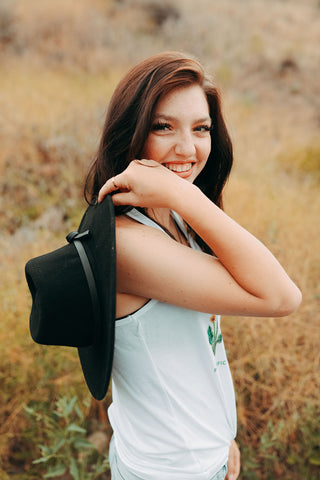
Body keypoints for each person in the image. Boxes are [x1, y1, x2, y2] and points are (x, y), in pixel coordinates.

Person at [85, 52, 301, 480]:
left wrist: (222, 435)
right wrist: (183, 194)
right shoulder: (129, 244)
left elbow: (196, 349)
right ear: (130, 133)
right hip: (171, 470)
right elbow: (281, 297)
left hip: (197, 453)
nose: (187, 149)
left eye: (201, 129)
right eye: (163, 126)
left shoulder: (173, 217)